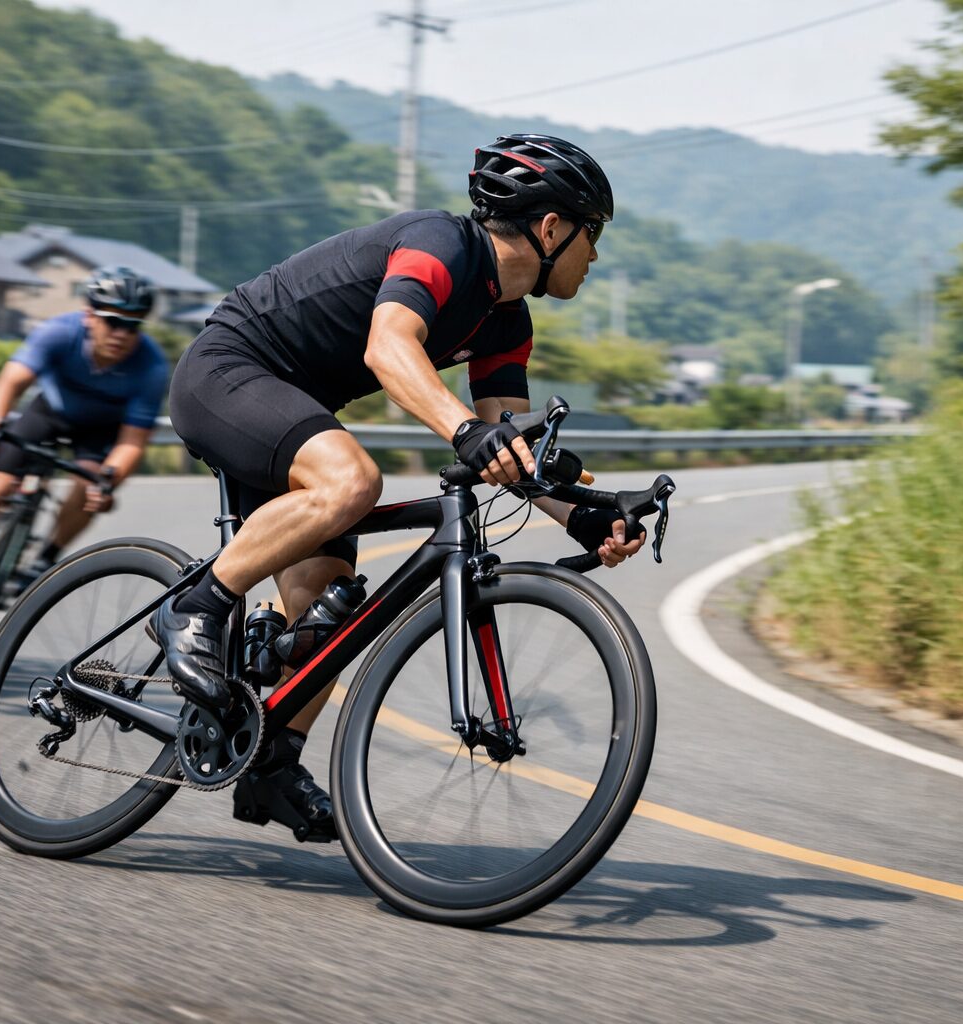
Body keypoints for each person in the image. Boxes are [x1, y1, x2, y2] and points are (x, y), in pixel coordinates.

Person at [153, 133, 646, 842]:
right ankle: (193, 609)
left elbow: (509, 442)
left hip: (297, 415)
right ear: (549, 228)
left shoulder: (508, 320)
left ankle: (271, 764)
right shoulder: (440, 245)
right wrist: (463, 431)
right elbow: (389, 346)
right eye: (591, 234)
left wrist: (585, 518)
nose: (594, 255)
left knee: (328, 611)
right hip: (228, 372)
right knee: (355, 480)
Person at [0, 266, 168, 631]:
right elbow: (8, 386)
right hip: (50, 413)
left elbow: (132, 442)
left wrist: (109, 480)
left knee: (91, 483)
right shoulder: (59, 332)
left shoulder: (151, 366)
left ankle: (47, 555)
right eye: (113, 321)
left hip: (101, 429)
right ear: (89, 315)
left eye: (133, 325)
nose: (122, 334)